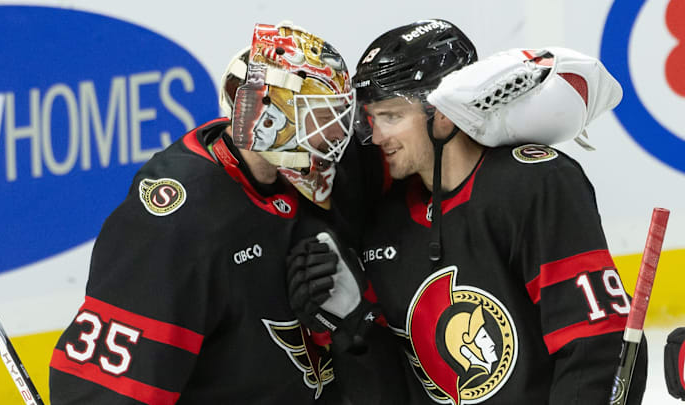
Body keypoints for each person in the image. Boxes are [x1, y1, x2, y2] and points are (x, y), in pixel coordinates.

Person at [286, 19, 648, 404]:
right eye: (372, 119)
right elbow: (394, 387)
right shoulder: (383, 221)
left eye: (392, 116)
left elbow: (596, 344)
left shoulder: (534, 185)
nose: (376, 137)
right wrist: (352, 324)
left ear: (443, 113)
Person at [48, 22, 390, 404]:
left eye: (337, 120)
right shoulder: (179, 224)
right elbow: (107, 391)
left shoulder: (315, 173)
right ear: (268, 119)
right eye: (319, 120)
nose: (334, 138)